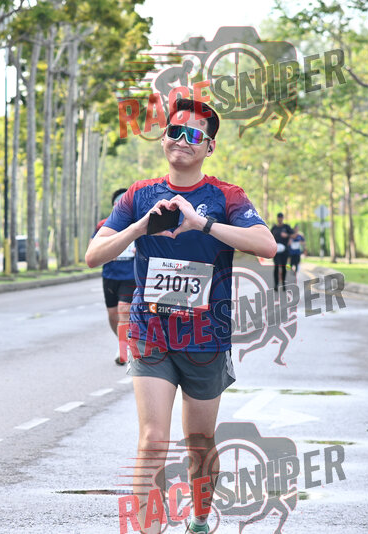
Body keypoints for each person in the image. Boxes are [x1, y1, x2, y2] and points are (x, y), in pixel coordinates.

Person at [85, 98, 276, 534]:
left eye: (194, 135)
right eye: (175, 131)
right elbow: (94, 255)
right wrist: (140, 227)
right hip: (151, 333)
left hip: (206, 339)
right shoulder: (139, 195)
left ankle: (200, 517)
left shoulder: (226, 196)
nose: (182, 140)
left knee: (199, 443)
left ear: (209, 147)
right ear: (163, 139)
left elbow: (266, 246)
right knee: (153, 439)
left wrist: (201, 224)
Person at [93, 188, 137, 366]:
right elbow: (93, 247)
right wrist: (105, 251)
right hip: (110, 275)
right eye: (118, 203)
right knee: (113, 315)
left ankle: (123, 350)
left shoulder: (139, 224)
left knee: (123, 310)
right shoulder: (104, 225)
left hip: (131, 274)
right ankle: (123, 341)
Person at [270, 213, 292, 290]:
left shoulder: (286, 227)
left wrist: (288, 236)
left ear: (283, 218)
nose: (280, 219)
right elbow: (269, 237)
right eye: (279, 217)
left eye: (281, 217)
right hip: (276, 251)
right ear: (277, 218)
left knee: (283, 267)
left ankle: (283, 284)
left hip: (284, 251)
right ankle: (276, 284)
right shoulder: (274, 228)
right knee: (276, 267)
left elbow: (293, 235)